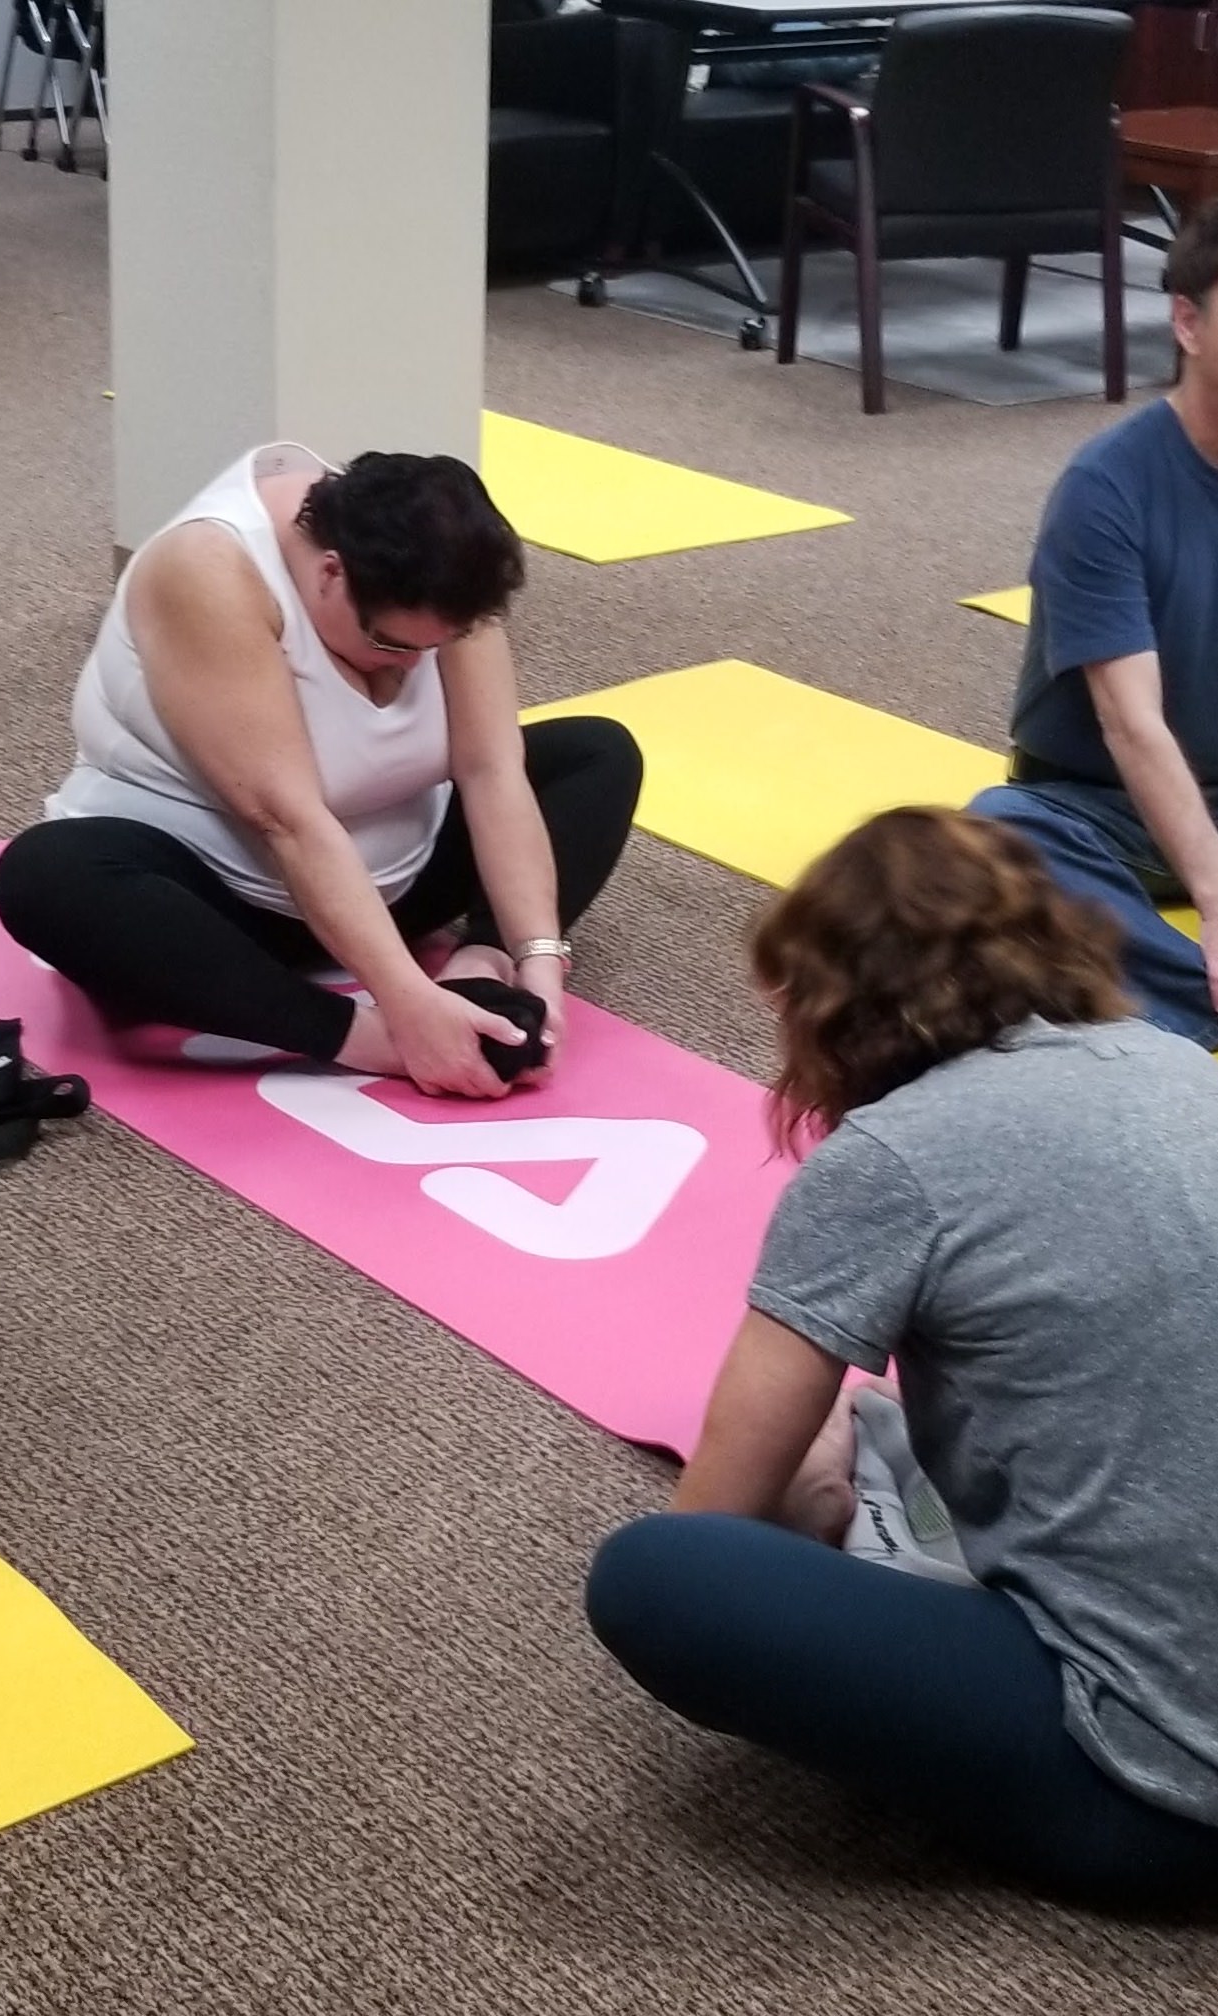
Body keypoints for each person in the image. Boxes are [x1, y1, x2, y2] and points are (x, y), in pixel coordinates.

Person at [586, 806, 1218, 1910]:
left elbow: (718, 1510)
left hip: (1168, 1796)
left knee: (660, 1578)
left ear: (826, 1009)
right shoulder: (1181, 1067)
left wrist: (811, 1472)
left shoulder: (888, 1161)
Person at [0, 444, 643, 1100]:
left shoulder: (442, 566)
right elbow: (286, 819)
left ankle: (478, 964)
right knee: (46, 874)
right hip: (218, 898)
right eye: (390, 645)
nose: (414, 666)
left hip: (386, 883)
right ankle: (358, 1036)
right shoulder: (209, 570)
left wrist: (534, 957)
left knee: (598, 754)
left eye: (434, 646)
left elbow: (492, 770)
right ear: (330, 573)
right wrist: (406, 1013)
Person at [968, 199, 1218, 1050]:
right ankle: (1189, 999)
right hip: (1096, 801)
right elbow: (1130, 723)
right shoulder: (1105, 487)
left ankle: (1156, 1013)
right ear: (1187, 321)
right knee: (1000, 843)